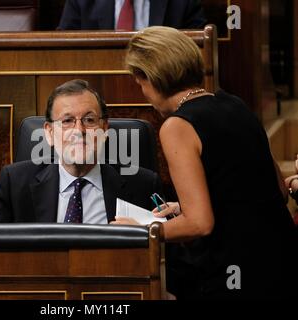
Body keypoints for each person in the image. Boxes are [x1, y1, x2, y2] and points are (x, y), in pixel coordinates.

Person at [113, 26, 297, 299]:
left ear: (150, 77)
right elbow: (277, 190)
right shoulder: (235, 103)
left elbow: (200, 224)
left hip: (235, 273)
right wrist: (185, 204)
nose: (143, 93)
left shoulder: (176, 126)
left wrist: (142, 230)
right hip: (283, 261)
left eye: (139, 83)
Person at [0, 79, 162, 223]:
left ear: (104, 129)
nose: (79, 131)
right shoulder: (14, 183)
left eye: (89, 120)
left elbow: (164, 253)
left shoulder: (143, 186)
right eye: (67, 121)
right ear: (49, 133)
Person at [58, 0, 207, 31]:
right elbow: (62, 46)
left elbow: (197, 50)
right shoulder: (81, 2)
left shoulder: (183, 2)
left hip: (164, 87)